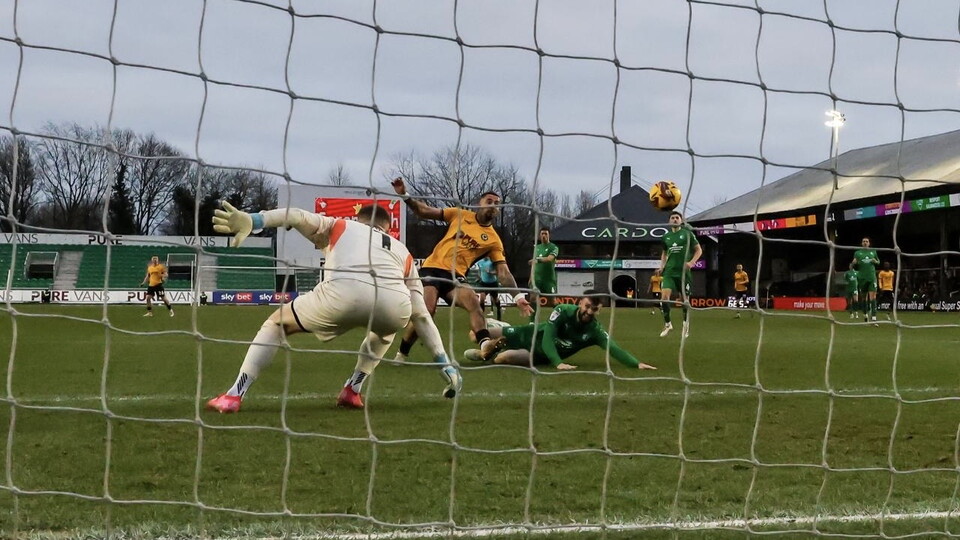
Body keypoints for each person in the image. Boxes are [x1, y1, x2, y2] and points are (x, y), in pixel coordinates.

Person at [205, 201, 461, 414]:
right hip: (394, 305)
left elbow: (296, 215)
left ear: (359, 219)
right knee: (387, 330)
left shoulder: (342, 225)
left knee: (276, 324)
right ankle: (353, 390)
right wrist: (444, 363)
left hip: (342, 294)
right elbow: (422, 316)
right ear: (389, 228)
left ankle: (233, 395)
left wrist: (255, 220)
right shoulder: (403, 251)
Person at [390, 177, 533, 363]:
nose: (492, 205)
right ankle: (402, 353)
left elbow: (504, 273)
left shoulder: (493, 240)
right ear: (478, 204)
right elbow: (425, 211)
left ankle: (485, 345)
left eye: (497, 204)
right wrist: (405, 196)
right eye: (488, 201)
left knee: (473, 302)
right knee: (428, 310)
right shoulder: (459, 215)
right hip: (431, 269)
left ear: (498, 211)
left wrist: (518, 297)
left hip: (456, 277)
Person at [463, 292, 657, 371]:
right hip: (528, 334)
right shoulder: (562, 310)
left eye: (594, 309)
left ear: (600, 311)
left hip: (535, 355)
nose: (589, 311)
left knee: (501, 358)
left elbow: (613, 348)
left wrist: (636, 364)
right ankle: (496, 330)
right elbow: (548, 337)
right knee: (475, 334)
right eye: (587, 306)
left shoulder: (594, 331)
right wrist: (559, 363)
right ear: (580, 302)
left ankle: (486, 353)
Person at [656, 211, 702, 338]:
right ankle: (668, 324)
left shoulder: (687, 234)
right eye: (673, 218)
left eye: (677, 217)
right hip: (669, 271)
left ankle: (685, 325)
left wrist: (692, 262)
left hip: (683, 272)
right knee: (664, 298)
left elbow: (698, 250)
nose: (675, 219)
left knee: (684, 301)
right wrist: (662, 267)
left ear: (681, 221)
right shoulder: (666, 237)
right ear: (669, 221)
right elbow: (664, 253)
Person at [529, 227, 559, 322]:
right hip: (537, 278)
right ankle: (532, 322)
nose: (544, 236)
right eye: (542, 234)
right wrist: (531, 277)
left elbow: (549, 259)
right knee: (533, 298)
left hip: (549, 279)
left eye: (546, 234)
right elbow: (533, 264)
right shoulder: (536, 248)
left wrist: (537, 260)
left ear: (549, 235)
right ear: (539, 235)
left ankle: (559, 319)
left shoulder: (553, 247)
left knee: (553, 301)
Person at [852, 237, 880, 324]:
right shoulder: (857, 253)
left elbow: (878, 262)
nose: (865, 242)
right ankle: (865, 314)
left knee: (873, 297)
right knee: (864, 298)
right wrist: (854, 263)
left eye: (866, 241)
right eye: (863, 241)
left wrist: (875, 261)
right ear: (861, 243)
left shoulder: (873, 252)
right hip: (862, 278)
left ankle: (874, 317)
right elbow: (854, 264)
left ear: (869, 243)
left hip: (871, 277)